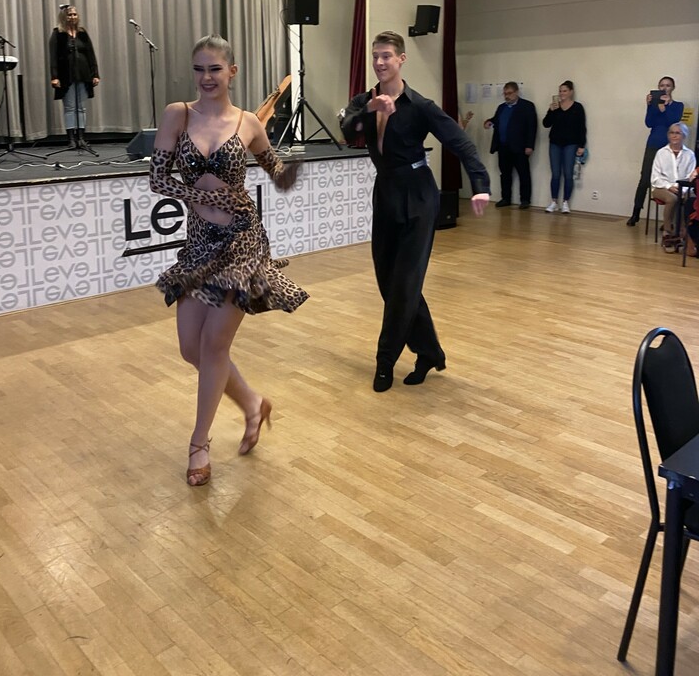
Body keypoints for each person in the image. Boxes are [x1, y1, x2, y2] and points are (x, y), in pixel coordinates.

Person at [149, 35, 307, 486]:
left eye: (214, 69)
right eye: (199, 69)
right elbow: (158, 179)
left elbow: (275, 171)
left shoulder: (248, 124)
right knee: (191, 348)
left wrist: (288, 173)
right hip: (200, 242)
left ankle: (199, 443)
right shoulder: (178, 114)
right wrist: (204, 197)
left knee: (214, 345)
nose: (206, 77)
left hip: (242, 240)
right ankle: (253, 404)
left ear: (231, 72)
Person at [340, 31, 490, 393]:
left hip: (419, 196)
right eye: (375, 56)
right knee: (388, 282)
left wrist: (480, 184)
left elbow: (460, 142)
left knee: (405, 284)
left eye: (386, 56)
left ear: (401, 59)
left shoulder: (420, 105)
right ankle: (429, 351)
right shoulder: (364, 100)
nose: (379, 62)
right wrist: (370, 110)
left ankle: (385, 361)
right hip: (386, 193)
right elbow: (347, 130)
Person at [627, 76, 684, 226]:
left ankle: (668, 220)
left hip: (670, 146)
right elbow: (649, 123)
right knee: (645, 178)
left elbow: (673, 123)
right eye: (662, 85)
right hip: (653, 143)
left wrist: (666, 107)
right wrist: (649, 106)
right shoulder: (654, 105)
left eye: (668, 85)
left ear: (672, 88)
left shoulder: (678, 105)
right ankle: (635, 213)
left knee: (670, 179)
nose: (664, 88)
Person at [49, 5, 100, 148]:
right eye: (69, 15)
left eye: (74, 15)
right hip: (66, 75)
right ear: (64, 17)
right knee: (70, 107)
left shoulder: (82, 33)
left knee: (81, 108)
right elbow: (53, 57)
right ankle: (71, 138)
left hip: (83, 74)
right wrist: (54, 76)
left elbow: (90, 54)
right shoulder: (58, 34)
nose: (72, 17)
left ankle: (81, 137)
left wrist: (95, 74)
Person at [483, 82, 537, 209]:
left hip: (520, 147)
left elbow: (532, 127)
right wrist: (489, 122)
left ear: (516, 92)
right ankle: (505, 198)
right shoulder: (501, 107)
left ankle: (525, 200)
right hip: (503, 147)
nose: (507, 96)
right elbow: (496, 120)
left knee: (523, 173)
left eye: (509, 93)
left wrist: (530, 145)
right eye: (505, 93)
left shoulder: (527, 106)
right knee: (505, 174)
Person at [542, 80, 586, 214]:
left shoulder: (578, 107)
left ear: (571, 92)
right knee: (555, 174)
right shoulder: (555, 107)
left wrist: (581, 145)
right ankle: (554, 201)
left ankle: (566, 202)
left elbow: (581, 127)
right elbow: (546, 124)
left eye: (565, 91)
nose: (562, 93)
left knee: (568, 173)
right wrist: (551, 111)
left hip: (571, 144)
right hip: (555, 143)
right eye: (560, 91)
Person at [650, 122, 696, 251]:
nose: (674, 136)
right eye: (671, 133)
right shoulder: (661, 153)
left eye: (677, 133)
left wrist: (681, 189)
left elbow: (690, 177)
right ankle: (667, 232)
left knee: (690, 199)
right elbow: (655, 177)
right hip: (661, 187)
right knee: (672, 199)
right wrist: (669, 186)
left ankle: (683, 232)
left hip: (683, 188)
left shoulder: (689, 154)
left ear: (684, 136)